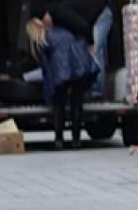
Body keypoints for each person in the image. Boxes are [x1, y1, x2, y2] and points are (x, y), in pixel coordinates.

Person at [26, 17, 98, 149]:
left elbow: (46, 67)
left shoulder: (40, 40)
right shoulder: (60, 31)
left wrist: (49, 90)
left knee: (59, 105)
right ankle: (76, 140)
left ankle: (59, 139)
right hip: (81, 61)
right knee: (77, 103)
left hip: (62, 67)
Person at [44, 0, 113, 99]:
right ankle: (86, 88)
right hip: (87, 22)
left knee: (95, 52)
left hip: (100, 15)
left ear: (46, 15)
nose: (45, 26)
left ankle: (96, 91)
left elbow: (82, 25)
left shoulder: (60, 12)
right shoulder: (58, 20)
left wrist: (90, 43)